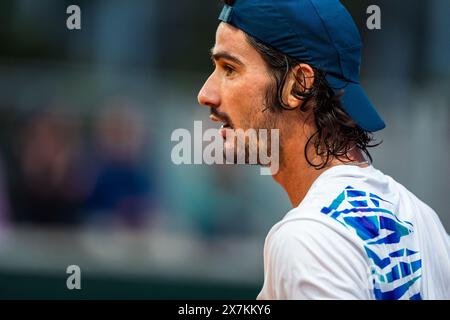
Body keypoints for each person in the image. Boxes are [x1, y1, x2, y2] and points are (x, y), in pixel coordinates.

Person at [197, 0, 450, 299]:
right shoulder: (422, 219)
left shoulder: (308, 239)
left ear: (299, 85)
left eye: (230, 68)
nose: (206, 94)